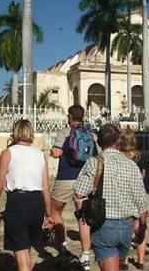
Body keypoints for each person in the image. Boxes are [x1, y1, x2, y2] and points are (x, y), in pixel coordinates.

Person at [74, 124, 149, 271]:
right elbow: (142, 201)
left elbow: (79, 192)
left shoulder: (95, 162)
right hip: (126, 226)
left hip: (104, 224)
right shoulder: (132, 165)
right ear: (118, 142)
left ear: (100, 143)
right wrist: (142, 226)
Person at [0, 119, 54, 271]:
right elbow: (46, 187)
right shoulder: (39, 155)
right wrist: (49, 214)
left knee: (21, 254)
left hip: (18, 202)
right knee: (26, 249)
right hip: (37, 203)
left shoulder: (8, 153)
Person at [50, 104, 98, 270]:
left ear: (70, 116)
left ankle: (62, 246)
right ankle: (85, 255)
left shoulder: (65, 133)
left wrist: (55, 150)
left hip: (65, 178)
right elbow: (97, 155)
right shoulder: (91, 135)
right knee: (83, 216)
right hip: (84, 180)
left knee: (55, 211)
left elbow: (56, 153)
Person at [119, 128, 147, 270]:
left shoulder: (119, 158)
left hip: (125, 197)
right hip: (137, 194)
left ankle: (124, 261)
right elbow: (143, 175)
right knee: (140, 229)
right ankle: (141, 260)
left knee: (126, 231)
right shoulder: (138, 157)